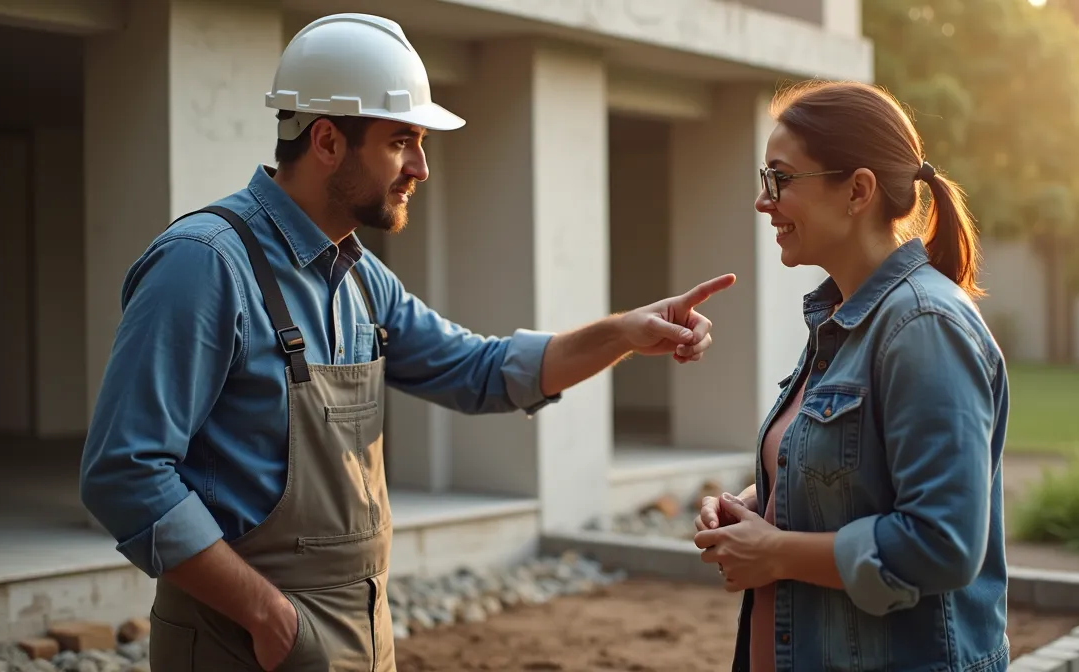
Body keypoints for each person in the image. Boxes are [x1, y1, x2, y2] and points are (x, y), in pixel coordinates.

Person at [79, 13, 735, 672]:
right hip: (242, 644)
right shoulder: (204, 266)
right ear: (328, 141)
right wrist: (269, 617)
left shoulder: (362, 280)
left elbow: (483, 372)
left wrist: (623, 332)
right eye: (402, 141)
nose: (421, 167)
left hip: (361, 634)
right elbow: (125, 472)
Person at [692, 79, 1010, 672]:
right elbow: (852, 476)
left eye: (780, 179)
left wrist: (778, 553)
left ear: (857, 190)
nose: (764, 201)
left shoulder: (922, 326)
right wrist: (757, 507)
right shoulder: (843, 318)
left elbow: (944, 543)